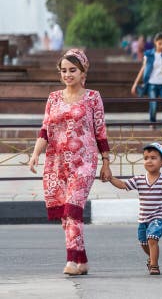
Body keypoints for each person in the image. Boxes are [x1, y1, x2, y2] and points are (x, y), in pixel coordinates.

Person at [28, 49, 112, 275]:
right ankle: (82, 261)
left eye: (72, 70)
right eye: (63, 70)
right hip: (57, 163)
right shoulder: (54, 97)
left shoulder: (93, 97)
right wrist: (36, 154)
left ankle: (72, 261)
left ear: (83, 71)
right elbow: (45, 129)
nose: (67, 74)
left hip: (84, 161)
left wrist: (106, 162)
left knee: (73, 209)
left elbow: (100, 131)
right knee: (66, 214)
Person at [106, 143, 162, 275]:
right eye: (146, 158)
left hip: (157, 217)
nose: (149, 161)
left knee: (152, 239)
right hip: (143, 218)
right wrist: (110, 178)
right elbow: (123, 185)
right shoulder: (139, 179)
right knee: (144, 242)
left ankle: (154, 266)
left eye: (153, 158)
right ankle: (151, 258)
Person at [131, 33, 162, 137]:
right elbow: (143, 69)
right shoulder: (149, 54)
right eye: (160, 44)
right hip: (152, 84)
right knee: (153, 105)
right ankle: (153, 122)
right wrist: (135, 83)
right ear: (155, 42)